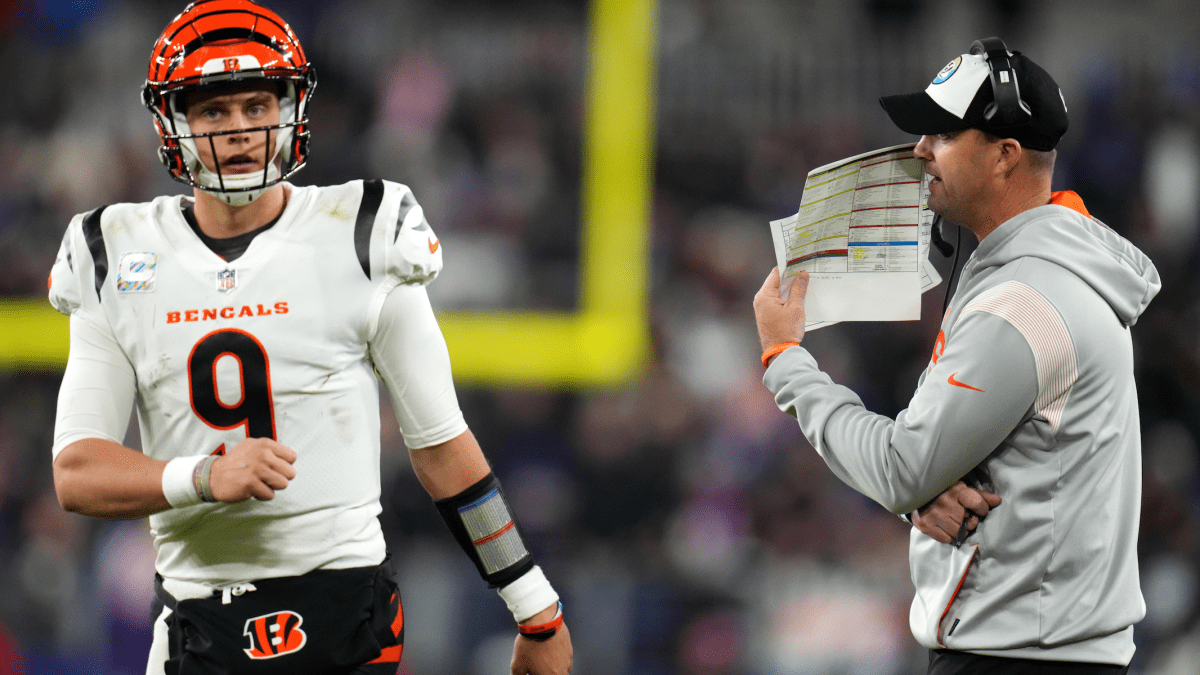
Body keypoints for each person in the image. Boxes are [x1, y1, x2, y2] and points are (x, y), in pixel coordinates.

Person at [47, 2, 573, 673]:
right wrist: (203, 476)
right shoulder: (115, 252)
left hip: (345, 614)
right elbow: (77, 470)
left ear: (290, 110)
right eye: (213, 111)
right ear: (173, 122)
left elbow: (443, 447)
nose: (239, 130)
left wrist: (535, 606)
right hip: (198, 620)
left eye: (256, 105)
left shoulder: (361, 230)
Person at [753, 38, 1160, 674]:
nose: (920, 151)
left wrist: (785, 359)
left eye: (942, 134)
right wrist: (924, 482)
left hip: (1019, 658)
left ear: (1004, 156)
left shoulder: (1025, 301)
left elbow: (899, 467)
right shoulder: (1036, 274)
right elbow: (929, 466)